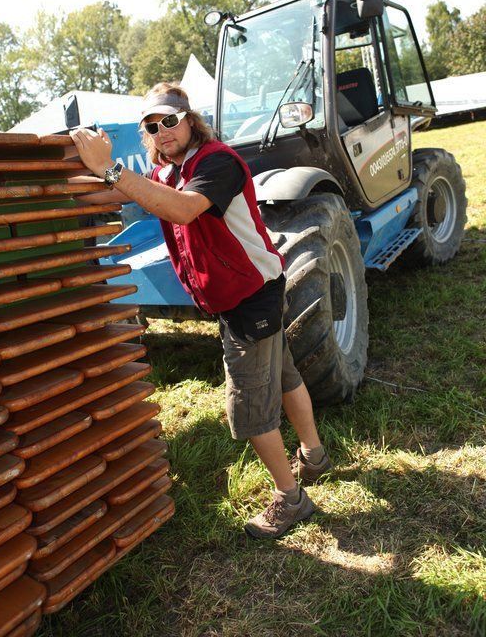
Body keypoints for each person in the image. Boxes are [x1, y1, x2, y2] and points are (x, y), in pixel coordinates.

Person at [71, 82, 331, 539]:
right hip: (253, 290)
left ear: (190, 120)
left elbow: (184, 210)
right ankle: (314, 456)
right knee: (285, 374)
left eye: (170, 120)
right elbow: (127, 195)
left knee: (247, 408)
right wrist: (78, 176)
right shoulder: (169, 171)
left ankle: (291, 500)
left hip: (249, 297)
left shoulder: (215, 162)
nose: (163, 131)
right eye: (153, 126)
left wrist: (109, 168)